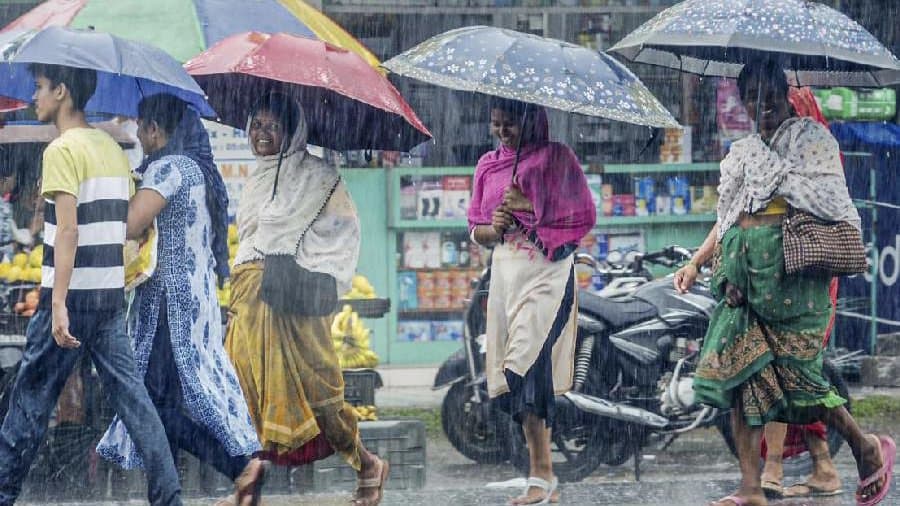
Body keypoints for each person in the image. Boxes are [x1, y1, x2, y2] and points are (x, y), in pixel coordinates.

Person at [673, 59, 895, 506]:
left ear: (784, 93)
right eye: (751, 98)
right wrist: (700, 261)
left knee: (799, 384)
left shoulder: (813, 140)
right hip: (745, 282)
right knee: (742, 379)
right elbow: (730, 214)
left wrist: (780, 181)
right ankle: (751, 487)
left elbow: (827, 201)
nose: (761, 106)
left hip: (794, 284)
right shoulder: (745, 152)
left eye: (768, 95)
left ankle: (865, 447)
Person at [0, 64, 182, 505]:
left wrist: (57, 303)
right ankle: (169, 495)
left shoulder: (62, 149)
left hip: (69, 297)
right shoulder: (111, 148)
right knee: (133, 401)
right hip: (108, 297)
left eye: (41, 88)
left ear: (62, 91)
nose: (35, 97)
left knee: (29, 401)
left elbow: (67, 232)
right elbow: (125, 225)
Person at [94, 94, 265, 506]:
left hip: (172, 306)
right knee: (162, 401)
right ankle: (174, 492)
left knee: (151, 404)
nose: (137, 133)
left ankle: (238, 465)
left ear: (155, 129)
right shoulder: (191, 168)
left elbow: (132, 222)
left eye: (141, 126)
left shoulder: (171, 168)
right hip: (181, 303)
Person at [225, 92, 389, 506]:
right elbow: (249, 242)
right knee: (248, 390)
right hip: (249, 300)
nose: (262, 135)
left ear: (292, 131)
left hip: (292, 301)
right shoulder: (257, 178)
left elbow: (343, 232)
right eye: (256, 125)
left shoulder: (318, 176)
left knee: (319, 396)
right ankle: (249, 484)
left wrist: (300, 258)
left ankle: (367, 464)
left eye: (272, 126)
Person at [468, 97, 595, 505]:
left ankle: (541, 476)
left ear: (532, 121)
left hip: (548, 273)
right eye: (497, 124)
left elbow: (582, 215)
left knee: (527, 364)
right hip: (506, 274)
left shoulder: (557, 158)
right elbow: (475, 228)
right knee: (512, 374)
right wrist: (495, 226)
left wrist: (530, 205)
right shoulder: (488, 166)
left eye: (511, 124)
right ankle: (543, 478)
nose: (504, 132)